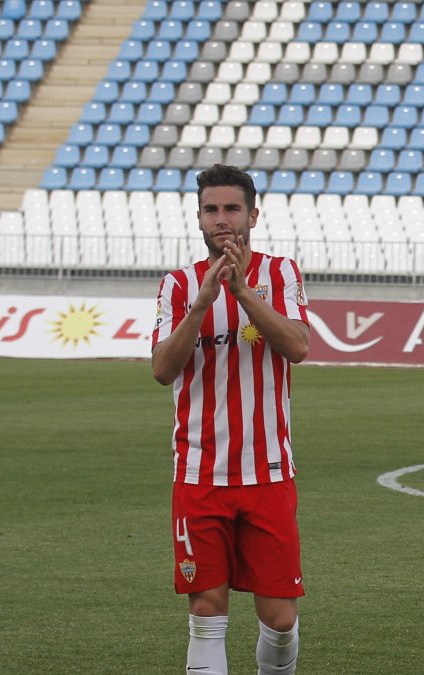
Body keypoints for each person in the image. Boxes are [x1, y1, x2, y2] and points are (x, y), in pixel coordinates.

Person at [151, 164, 310, 675]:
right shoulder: (178, 285)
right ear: (198, 217)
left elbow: (298, 346)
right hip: (199, 475)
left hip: (268, 473)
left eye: (232, 209)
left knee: (281, 621)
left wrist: (241, 293)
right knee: (205, 612)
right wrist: (201, 304)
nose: (222, 219)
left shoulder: (279, 273)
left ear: (253, 215)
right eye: (211, 209)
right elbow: (161, 369)